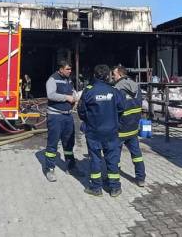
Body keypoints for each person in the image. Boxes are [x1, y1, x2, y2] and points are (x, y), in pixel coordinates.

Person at [78, 64, 126, 197]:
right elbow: (122, 108)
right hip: (111, 131)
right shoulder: (113, 90)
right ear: (107, 76)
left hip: (94, 132)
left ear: (94, 75)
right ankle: (115, 188)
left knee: (95, 159)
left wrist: (89, 120)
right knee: (112, 159)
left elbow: (81, 111)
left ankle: (96, 188)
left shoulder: (89, 90)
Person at [112, 65, 146, 187]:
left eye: (114, 75)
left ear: (120, 75)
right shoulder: (136, 86)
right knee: (136, 155)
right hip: (133, 127)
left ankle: (114, 181)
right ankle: (141, 178)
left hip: (120, 129)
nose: (113, 77)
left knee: (114, 156)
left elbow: (115, 109)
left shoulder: (117, 89)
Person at [43, 60, 77, 182]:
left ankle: (71, 167)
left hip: (68, 116)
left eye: (70, 69)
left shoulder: (69, 79)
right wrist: (66, 98)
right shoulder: (52, 79)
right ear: (61, 69)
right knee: (53, 144)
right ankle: (49, 169)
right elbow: (51, 95)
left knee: (69, 143)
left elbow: (71, 91)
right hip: (55, 116)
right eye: (67, 69)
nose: (70, 71)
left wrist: (74, 96)